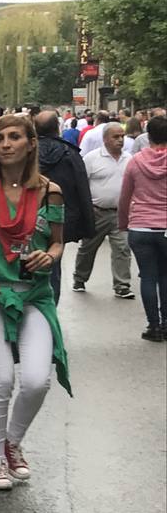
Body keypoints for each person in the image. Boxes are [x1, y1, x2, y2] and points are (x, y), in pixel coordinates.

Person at [0, 114, 70, 491]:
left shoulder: (51, 191)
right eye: (0, 138)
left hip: (34, 295)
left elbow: (57, 241)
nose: (6, 144)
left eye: (15, 137)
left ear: (31, 143)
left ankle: (12, 442)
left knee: (37, 381)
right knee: (1, 378)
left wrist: (50, 257)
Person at [34, 109, 94, 303]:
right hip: (61, 217)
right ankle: (50, 305)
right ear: (57, 128)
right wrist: (85, 223)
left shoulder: (27, 152)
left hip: (30, 216)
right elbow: (82, 188)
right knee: (54, 261)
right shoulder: (70, 153)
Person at [118, 115, 167, 341]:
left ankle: (153, 327)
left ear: (149, 136)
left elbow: (125, 196)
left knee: (148, 277)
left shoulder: (135, 161)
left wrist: (123, 223)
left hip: (141, 227)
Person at [75, 123, 135, 299]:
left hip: (120, 213)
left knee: (123, 248)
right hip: (97, 212)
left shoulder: (129, 159)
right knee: (88, 247)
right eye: (116, 137)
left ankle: (122, 285)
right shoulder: (92, 159)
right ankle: (79, 278)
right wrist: (83, 211)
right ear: (105, 139)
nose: (120, 140)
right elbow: (82, 185)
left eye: (122, 136)